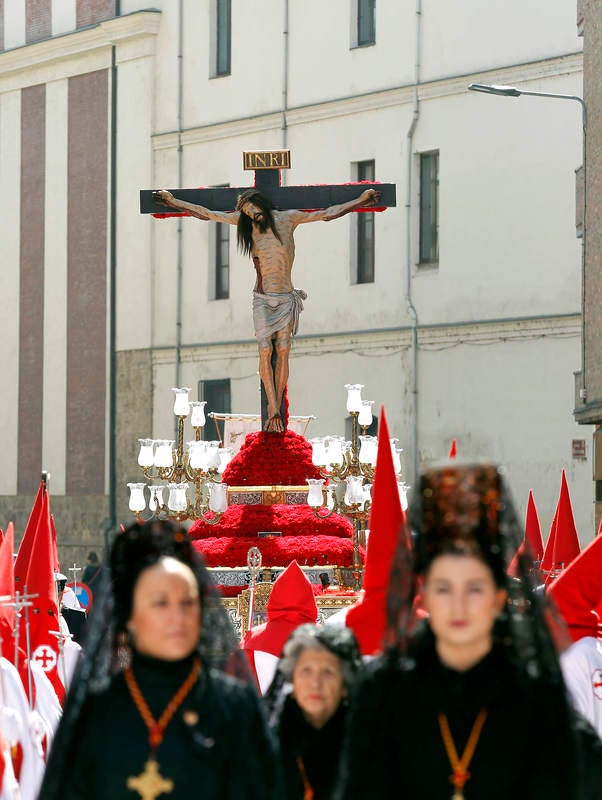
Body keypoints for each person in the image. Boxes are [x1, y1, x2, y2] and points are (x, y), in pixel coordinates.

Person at [337, 464, 582, 800]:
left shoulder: (535, 692)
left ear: (499, 598)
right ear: (424, 595)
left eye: (474, 589)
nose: (459, 605)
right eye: (444, 588)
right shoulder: (384, 689)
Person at [38, 519, 280, 800]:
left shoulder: (233, 706)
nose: (177, 616)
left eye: (187, 602)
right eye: (160, 603)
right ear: (130, 616)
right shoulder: (98, 710)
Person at [153, 186, 380, 433]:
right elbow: (207, 213)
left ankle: (276, 409)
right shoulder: (248, 225)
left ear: (261, 203)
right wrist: (174, 202)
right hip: (262, 299)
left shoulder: (288, 219)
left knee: (282, 349)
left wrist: (360, 200)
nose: (252, 215)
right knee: (264, 350)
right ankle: (273, 408)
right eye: (247, 213)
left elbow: (327, 213)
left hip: (285, 297)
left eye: (252, 209)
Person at [265, 624, 361, 800]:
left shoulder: (363, 742)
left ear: (345, 686)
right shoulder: (268, 742)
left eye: (328, 672)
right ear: (292, 679)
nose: (315, 683)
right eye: (306, 671)